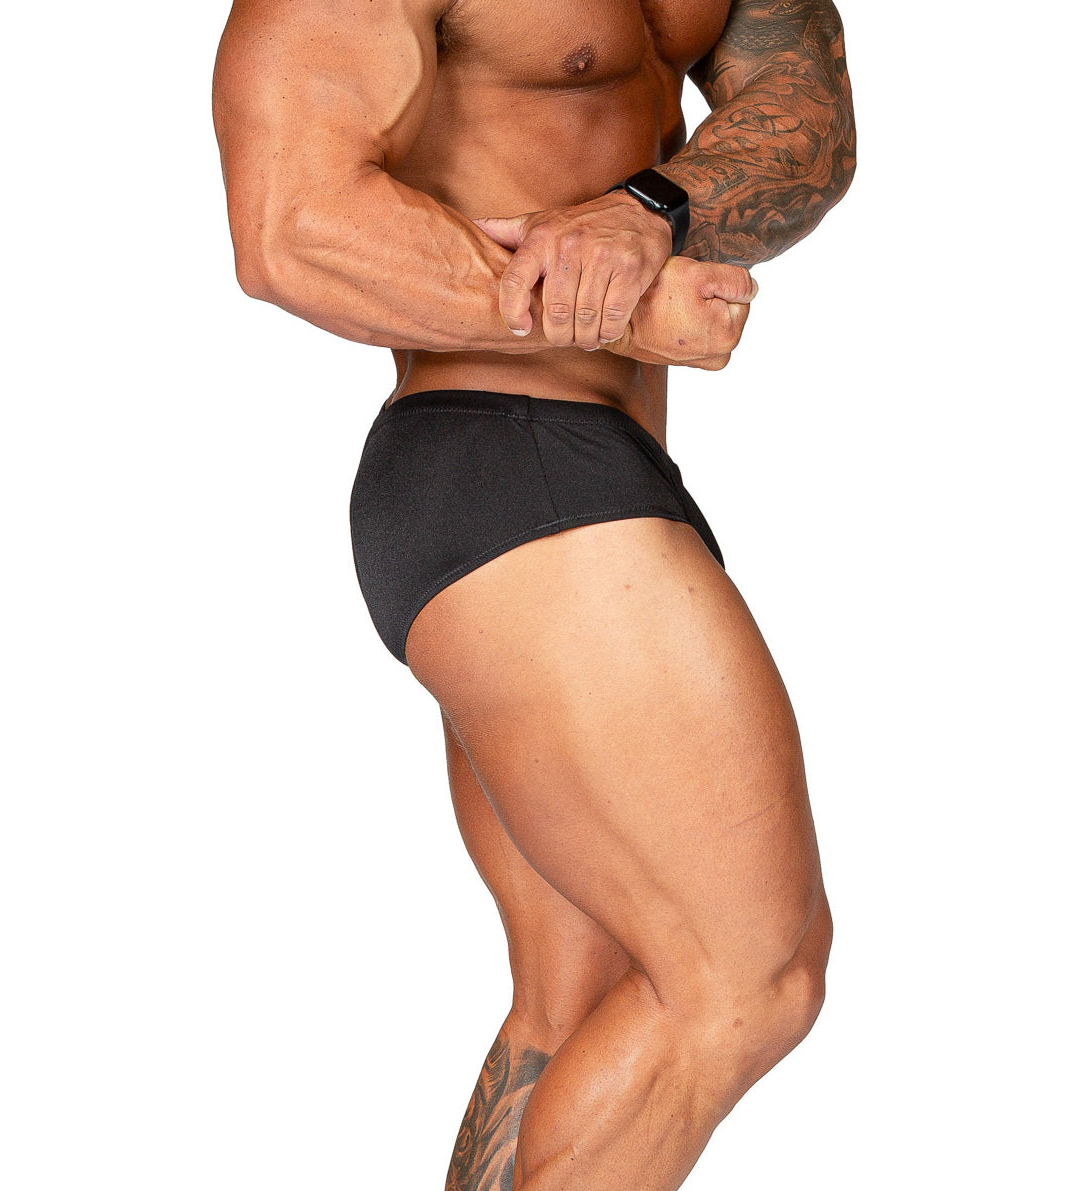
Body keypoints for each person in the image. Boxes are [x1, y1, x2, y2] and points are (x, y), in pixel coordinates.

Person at [213, 0, 855, 1186]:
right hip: (502, 461)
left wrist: (650, 208)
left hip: (579, 476)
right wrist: (620, 305)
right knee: (749, 978)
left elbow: (803, 117)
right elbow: (288, 227)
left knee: (581, 994)